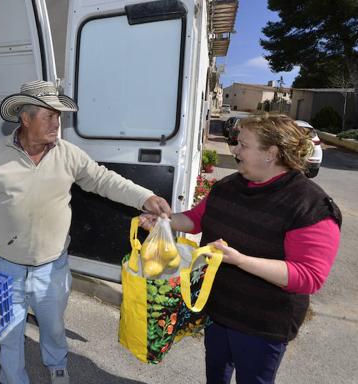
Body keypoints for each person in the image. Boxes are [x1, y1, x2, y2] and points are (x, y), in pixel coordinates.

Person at [0, 80, 171, 384]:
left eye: (59, 116)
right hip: (6, 265)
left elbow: (105, 180)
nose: (56, 123)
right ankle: (13, 379)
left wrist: (146, 197)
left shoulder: (68, 154)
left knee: (52, 327)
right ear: (25, 118)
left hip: (51, 266)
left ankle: (57, 364)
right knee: (10, 331)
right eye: (49, 116)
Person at [140, 114, 342, 384]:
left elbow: (308, 276)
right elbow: (198, 219)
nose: (234, 150)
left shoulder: (311, 206)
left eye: (243, 145)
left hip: (263, 324)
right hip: (219, 310)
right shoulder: (228, 186)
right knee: (216, 374)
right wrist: (164, 222)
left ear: (270, 153)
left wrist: (240, 260)